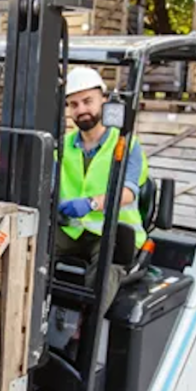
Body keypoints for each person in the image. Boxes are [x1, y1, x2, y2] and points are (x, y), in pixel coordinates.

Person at [56, 66, 149, 313]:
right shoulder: (62, 145)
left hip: (114, 233)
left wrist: (91, 203)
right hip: (72, 230)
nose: (81, 109)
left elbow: (128, 192)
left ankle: (84, 336)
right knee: (29, 246)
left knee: (104, 270)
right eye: (73, 104)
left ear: (104, 101)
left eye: (88, 101)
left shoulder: (125, 144)